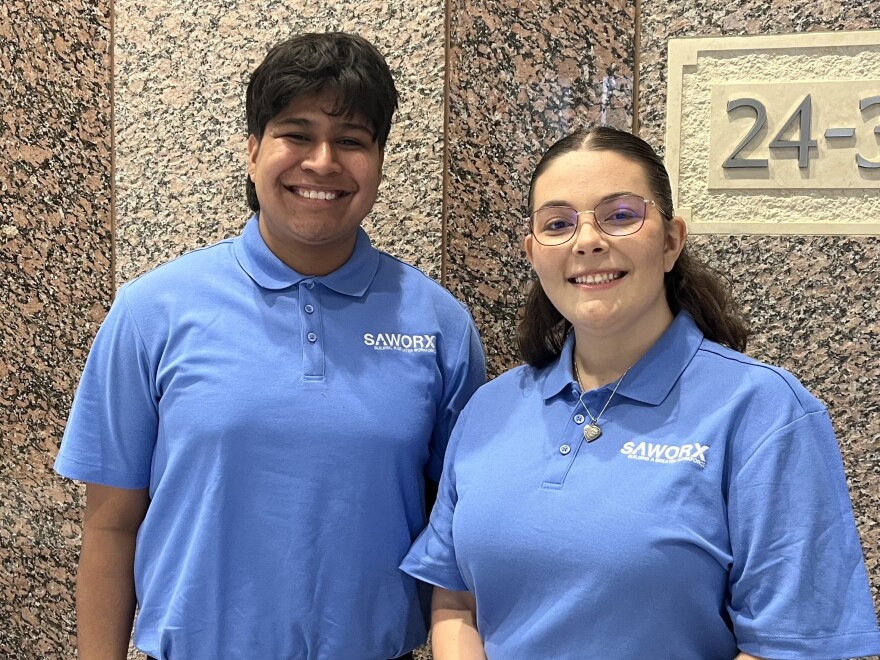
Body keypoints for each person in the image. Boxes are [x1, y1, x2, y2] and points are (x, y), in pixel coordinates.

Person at [55, 32, 485, 660]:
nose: (322, 162)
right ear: (254, 149)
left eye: (351, 140)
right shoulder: (152, 311)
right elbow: (111, 525)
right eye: (297, 133)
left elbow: (461, 532)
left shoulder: (440, 324)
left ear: (380, 160)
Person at [400, 126, 880, 659]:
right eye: (558, 224)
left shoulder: (762, 411)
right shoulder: (488, 409)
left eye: (621, 215)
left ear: (672, 240)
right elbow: (455, 597)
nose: (587, 241)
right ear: (533, 253)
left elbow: (788, 643)